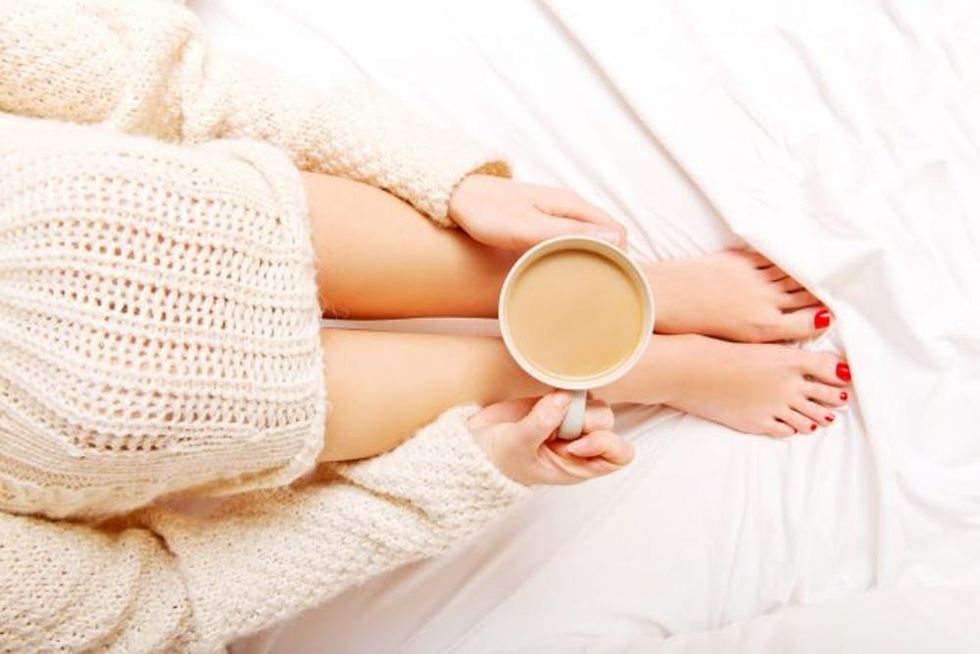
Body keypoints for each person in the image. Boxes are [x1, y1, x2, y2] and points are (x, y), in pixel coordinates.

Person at [0, 0, 851, 650]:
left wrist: (451, 186)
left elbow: (171, 81)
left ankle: (642, 295)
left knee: (496, 275)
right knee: (515, 372)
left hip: (237, 215)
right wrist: (469, 471)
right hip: (226, 409)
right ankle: (644, 369)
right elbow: (172, 607)